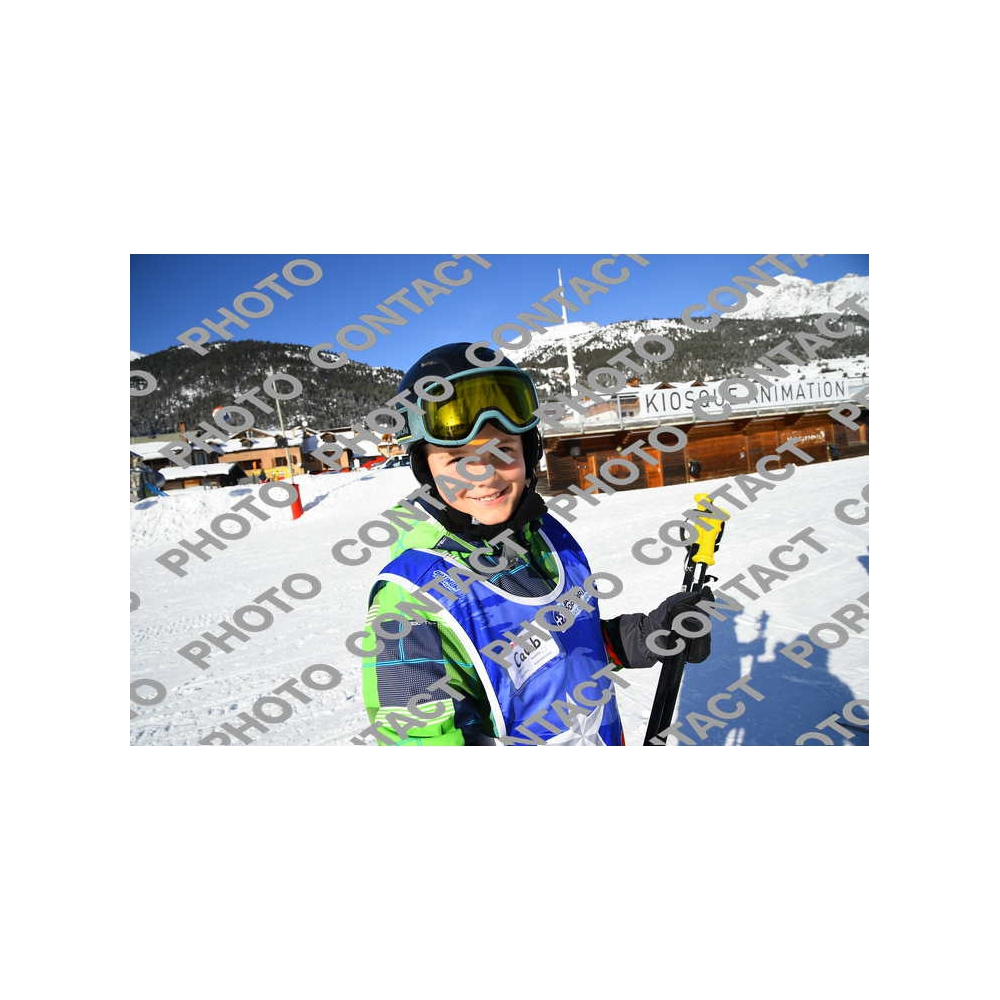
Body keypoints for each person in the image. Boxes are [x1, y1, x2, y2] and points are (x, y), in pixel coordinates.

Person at [359, 343, 711, 746]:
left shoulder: (548, 540)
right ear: (426, 472)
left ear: (529, 453)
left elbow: (567, 647)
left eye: (503, 450)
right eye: (457, 459)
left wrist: (649, 635)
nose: (485, 475)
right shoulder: (411, 601)